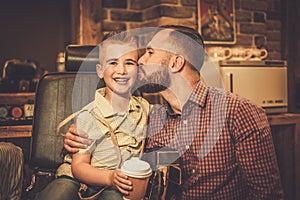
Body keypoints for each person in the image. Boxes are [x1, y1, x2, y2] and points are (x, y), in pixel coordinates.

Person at [64, 25, 284, 199]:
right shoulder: (153, 116)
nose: (139, 61)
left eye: (149, 53)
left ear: (176, 62)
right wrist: (76, 136)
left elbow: (266, 194)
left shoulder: (237, 112)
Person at [35, 31, 151, 200]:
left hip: (119, 184)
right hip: (80, 179)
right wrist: (109, 177)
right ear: (100, 70)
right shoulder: (89, 115)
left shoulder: (144, 109)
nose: (122, 70)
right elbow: (79, 167)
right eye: (113, 62)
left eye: (129, 63)